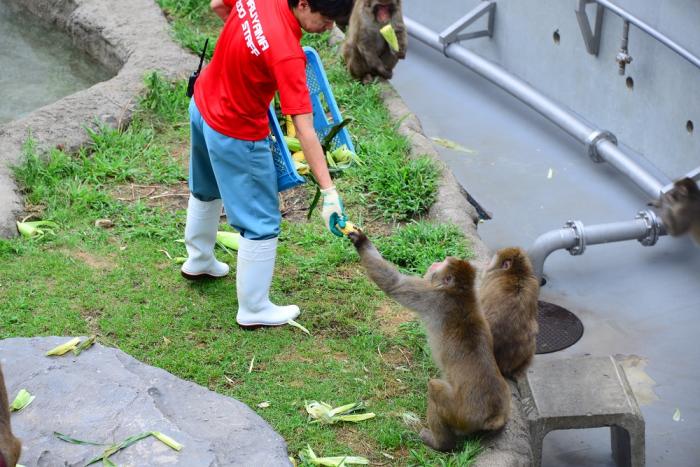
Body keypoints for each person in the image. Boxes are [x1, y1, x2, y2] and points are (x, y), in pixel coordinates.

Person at [181, 0, 354, 329]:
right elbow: (305, 128)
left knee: (206, 189)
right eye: (327, 18)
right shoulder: (288, 53)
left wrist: (249, 52)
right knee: (261, 221)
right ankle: (254, 308)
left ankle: (199, 259)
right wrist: (329, 192)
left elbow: (219, 4)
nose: (330, 26)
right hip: (237, 131)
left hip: (203, 105)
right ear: (303, 4)